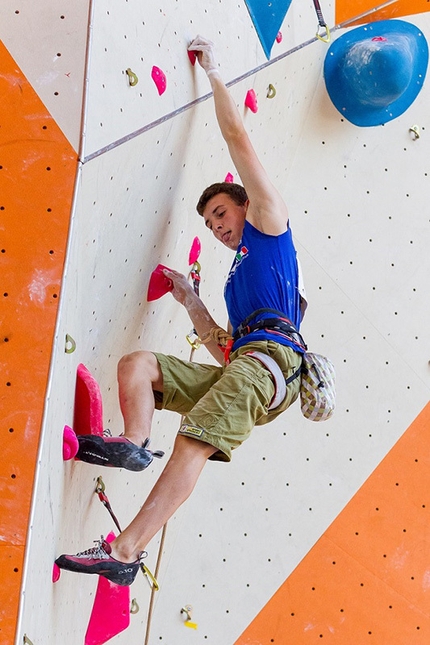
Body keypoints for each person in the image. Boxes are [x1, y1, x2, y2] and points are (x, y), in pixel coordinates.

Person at [55, 36, 307, 586]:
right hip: (248, 364)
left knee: (195, 442)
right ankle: (136, 444)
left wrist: (214, 72)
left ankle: (124, 552)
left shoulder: (269, 224)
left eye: (222, 213)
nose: (218, 228)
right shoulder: (240, 283)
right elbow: (226, 348)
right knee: (138, 366)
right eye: (212, 225)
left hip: (269, 368)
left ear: (245, 201)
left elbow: (238, 138)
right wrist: (189, 299)